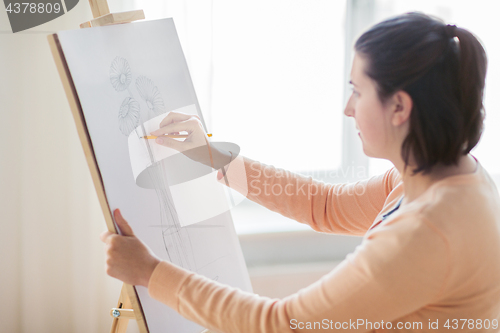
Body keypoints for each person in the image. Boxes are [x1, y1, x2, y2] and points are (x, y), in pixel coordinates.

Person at [100, 12, 500, 332]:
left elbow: (282, 324)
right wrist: (212, 157)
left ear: (399, 107)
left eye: (358, 92)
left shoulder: (427, 230)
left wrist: (151, 273)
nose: (348, 108)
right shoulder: (435, 175)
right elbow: (323, 205)